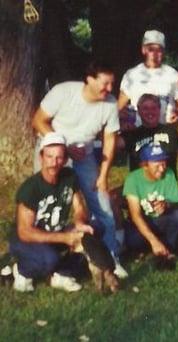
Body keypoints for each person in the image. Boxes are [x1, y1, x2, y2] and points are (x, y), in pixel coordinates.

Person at [31, 60, 128, 278]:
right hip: (53, 149)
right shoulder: (63, 92)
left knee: (102, 203)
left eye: (112, 84)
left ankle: (110, 257)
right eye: (105, 83)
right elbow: (38, 121)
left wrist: (103, 176)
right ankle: (38, 260)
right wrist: (64, 147)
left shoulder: (110, 104)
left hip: (84, 156)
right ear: (90, 79)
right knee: (45, 205)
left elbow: (110, 140)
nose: (110, 89)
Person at [10, 133, 94, 292]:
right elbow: (24, 232)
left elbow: (79, 207)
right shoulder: (30, 188)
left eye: (59, 157)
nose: (54, 163)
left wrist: (79, 222)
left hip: (54, 233)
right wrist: (65, 238)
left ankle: (61, 274)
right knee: (49, 259)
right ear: (41, 157)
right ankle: (22, 271)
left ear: (65, 159)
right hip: (26, 240)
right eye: (49, 157)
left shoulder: (69, 177)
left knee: (94, 230)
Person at [120, 78, 178, 176]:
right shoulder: (132, 134)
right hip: (141, 188)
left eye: (154, 108)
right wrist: (118, 123)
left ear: (159, 109)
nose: (150, 112)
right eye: (145, 108)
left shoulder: (170, 129)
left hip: (167, 186)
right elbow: (108, 142)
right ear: (139, 111)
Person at [122, 143, 178, 259]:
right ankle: (153, 245)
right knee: (132, 240)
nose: (162, 168)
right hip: (143, 221)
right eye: (157, 165)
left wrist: (166, 204)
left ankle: (168, 248)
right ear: (145, 165)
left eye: (164, 163)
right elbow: (135, 215)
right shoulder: (133, 179)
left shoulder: (169, 173)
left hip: (161, 220)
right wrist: (153, 241)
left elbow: (177, 203)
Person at [118, 30, 178, 126]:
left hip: (166, 130)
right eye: (151, 49)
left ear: (163, 52)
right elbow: (120, 106)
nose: (155, 53)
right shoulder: (131, 75)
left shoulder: (173, 74)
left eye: (159, 50)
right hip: (138, 132)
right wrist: (126, 120)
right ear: (143, 50)